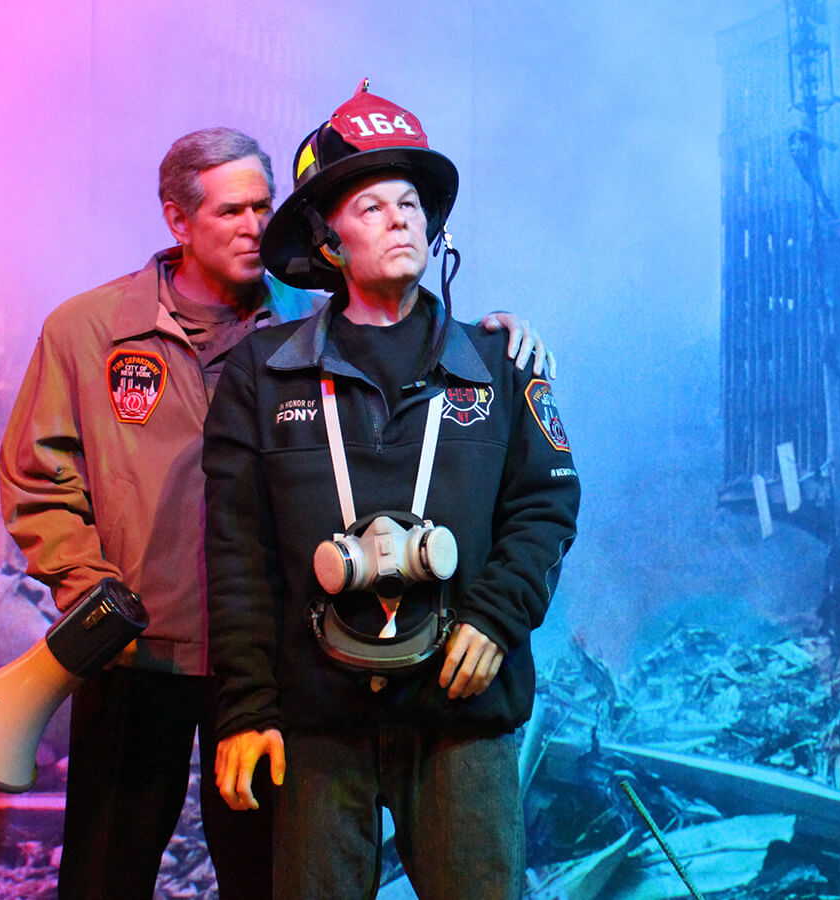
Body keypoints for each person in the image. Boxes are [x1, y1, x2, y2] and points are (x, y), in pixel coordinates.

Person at [0, 126, 550, 900]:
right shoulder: (87, 332)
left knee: (262, 876)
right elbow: (38, 478)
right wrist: (90, 591)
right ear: (176, 220)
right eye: (230, 211)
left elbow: (412, 338)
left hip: (265, 662)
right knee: (104, 873)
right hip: (139, 654)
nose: (254, 226)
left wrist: (494, 337)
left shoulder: (310, 327)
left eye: (264, 206)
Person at [205, 82, 580, 899]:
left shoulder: (499, 362)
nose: (400, 218)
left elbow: (547, 505)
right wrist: (244, 709)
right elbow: (238, 555)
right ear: (328, 241)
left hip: (460, 711)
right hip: (316, 723)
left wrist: (496, 614)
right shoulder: (260, 375)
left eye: (409, 202)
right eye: (371, 207)